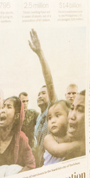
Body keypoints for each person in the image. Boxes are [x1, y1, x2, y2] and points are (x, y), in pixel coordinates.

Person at [28, 29, 58, 166]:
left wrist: (40, 54)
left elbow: (49, 82)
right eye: (39, 93)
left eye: (43, 93)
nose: (40, 95)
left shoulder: (52, 110)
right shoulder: (39, 118)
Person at [41, 100, 84, 165]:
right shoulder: (49, 138)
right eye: (49, 118)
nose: (52, 121)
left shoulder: (72, 136)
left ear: (68, 117)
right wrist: (80, 144)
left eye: (57, 115)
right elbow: (57, 150)